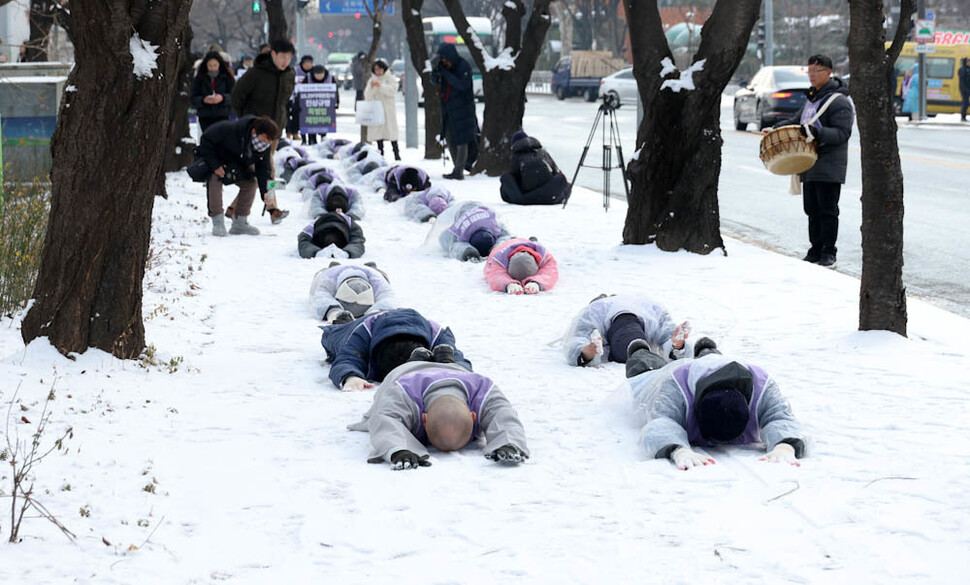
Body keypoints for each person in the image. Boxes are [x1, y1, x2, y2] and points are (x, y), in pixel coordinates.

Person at [624, 341, 807, 470]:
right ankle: (639, 350)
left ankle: (707, 349)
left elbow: (781, 416)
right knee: (646, 372)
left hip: (718, 369)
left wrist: (785, 445)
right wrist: (677, 449)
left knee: (713, 360)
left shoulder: (762, 384)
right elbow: (661, 421)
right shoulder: (675, 386)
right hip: (662, 376)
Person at [347, 360, 530, 469]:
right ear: (423, 418)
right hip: (406, 369)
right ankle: (426, 356)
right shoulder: (402, 392)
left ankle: (446, 357)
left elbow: (504, 416)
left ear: (475, 416)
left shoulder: (484, 390)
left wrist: (509, 443)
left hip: (457, 369)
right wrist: (398, 449)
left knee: (457, 361)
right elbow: (384, 419)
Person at [772, 54, 853, 268]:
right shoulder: (812, 98)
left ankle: (829, 251)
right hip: (808, 163)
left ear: (828, 72)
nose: (811, 76)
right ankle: (815, 248)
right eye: (809, 71)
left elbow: (842, 134)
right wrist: (776, 128)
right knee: (811, 209)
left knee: (827, 209)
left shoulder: (839, 101)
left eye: (816, 71)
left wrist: (817, 133)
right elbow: (798, 121)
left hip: (829, 165)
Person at [321, 307, 472, 391]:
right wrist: (350, 377)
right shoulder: (362, 335)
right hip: (358, 326)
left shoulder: (436, 335)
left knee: (446, 353)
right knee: (333, 336)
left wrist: (451, 365)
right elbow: (347, 359)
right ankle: (343, 321)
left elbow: (459, 361)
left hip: (400, 320)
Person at [230, 38, 297, 223]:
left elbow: (286, 100)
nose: (285, 61)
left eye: (289, 57)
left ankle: (234, 207)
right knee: (267, 170)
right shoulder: (256, 73)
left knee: (259, 171)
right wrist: (248, 123)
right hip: (254, 132)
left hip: (275, 132)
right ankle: (272, 209)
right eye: (282, 56)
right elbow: (236, 97)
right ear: (273, 54)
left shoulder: (289, 74)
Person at [195, 116, 279, 237]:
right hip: (218, 162)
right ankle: (218, 223)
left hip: (237, 166)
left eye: (271, 140)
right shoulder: (230, 129)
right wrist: (215, 165)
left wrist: (266, 192)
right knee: (214, 179)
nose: (268, 142)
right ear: (255, 131)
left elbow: (264, 170)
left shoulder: (263, 146)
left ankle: (240, 222)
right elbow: (206, 140)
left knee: (251, 184)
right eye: (266, 138)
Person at [563, 293, 691, 367]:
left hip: (624, 333)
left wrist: (585, 351)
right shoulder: (649, 305)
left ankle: (675, 349)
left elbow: (577, 339)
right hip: (635, 327)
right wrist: (676, 344)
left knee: (628, 347)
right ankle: (676, 349)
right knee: (634, 345)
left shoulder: (594, 309)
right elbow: (669, 331)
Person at [431, 43, 479, 180]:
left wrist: (444, 73)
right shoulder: (444, 67)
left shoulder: (463, 66)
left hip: (463, 108)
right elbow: (435, 82)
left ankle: (459, 170)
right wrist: (435, 71)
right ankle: (457, 166)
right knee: (449, 136)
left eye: (445, 59)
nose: (444, 62)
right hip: (448, 108)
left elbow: (462, 85)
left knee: (462, 138)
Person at [499, 130, 571, 205]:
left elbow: (513, 180)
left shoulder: (516, 157)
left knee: (506, 177)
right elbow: (555, 171)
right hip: (551, 195)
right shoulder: (543, 153)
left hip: (529, 196)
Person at [309, 261, 396, 322]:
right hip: (333, 271)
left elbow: (387, 298)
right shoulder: (327, 279)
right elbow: (321, 297)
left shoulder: (377, 279)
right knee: (322, 273)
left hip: (371, 272)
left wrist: (375, 312)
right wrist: (334, 312)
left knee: (381, 275)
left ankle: (371, 267)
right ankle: (334, 266)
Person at [437, 202, 510, 262]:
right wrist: (499, 246)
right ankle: (498, 248)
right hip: (481, 221)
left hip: (471, 222)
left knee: (455, 244)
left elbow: (445, 240)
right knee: (504, 237)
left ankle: (467, 252)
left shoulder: (459, 227)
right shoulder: (492, 223)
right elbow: (506, 235)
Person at [484, 237, 559, 294]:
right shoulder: (498, 258)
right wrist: (508, 284)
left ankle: (530, 240)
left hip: (525, 243)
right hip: (504, 245)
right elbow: (495, 276)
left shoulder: (545, 255)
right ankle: (512, 238)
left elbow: (550, 272)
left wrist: (537, 282)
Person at [362, 59, 401, 161]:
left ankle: (396, 153)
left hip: (388, 110)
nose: (378, 72)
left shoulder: (390, 78)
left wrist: (380, 86)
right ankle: (380, 153)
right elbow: (367, 95)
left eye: (380, 69)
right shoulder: (372, 80)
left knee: (391, 132)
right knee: (378, 132)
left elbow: (392, 90)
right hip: (376, 109)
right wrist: (372, 87)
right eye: (376, 69)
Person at [190, 51, 236, 132]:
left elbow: (235, 96)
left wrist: (223, 98)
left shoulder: (227, 77)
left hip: (223, 115)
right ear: (206, 65)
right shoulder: (199, 78)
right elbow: (192, 98)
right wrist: (203, 100)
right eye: (210, 65)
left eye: (215, 65)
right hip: (205, 116)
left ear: (220, 64)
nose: (213, 68)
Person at [298, 211, 366, 259]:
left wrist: (347, 253)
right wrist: (317, 252)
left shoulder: (351, 225)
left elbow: (358, 241)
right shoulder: (313, 226)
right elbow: (303, 241)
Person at [299, 64, 339, 145]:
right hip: (310, 107)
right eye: (317, 74)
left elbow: (335, 91)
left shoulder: (330, 78)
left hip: (325, 107)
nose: (319, 76)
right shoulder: (308, 78)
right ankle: (312, 140)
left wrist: (336, 102)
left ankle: (323, 139)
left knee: (323, 124)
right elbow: (301, 91)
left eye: (321, 74)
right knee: (311, 125)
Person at [287, 55, 315, 140]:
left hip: (310, 98)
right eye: (306, 63)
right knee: (295, 116)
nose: (308, 65)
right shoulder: (295, 71)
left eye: (310, 63)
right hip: (295, 97)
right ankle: (293, 132)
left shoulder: (314, 71)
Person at [959, 57, 970, 123]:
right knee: (965, 102)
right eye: (968, 62)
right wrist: (966, 89)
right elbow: (962, 81)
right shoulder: (962, 70)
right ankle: (963, 116)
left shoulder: (968, 69)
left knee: (966, 102)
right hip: (965, 89)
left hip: (968, 88)